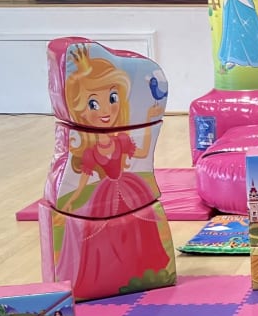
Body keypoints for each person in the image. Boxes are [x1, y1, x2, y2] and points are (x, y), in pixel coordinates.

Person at [56, 44, 172, 299]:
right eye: (93, 103)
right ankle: (105, 274)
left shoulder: (121, 140)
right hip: (106, 191)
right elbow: (83, 179)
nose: (106, 110)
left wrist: (149, 118)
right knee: (102, 236)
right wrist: (73, 199)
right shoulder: (90, 151)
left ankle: (145, 267)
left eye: (112, 98)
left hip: (129, 186)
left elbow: (142, 153)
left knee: (139, 229)